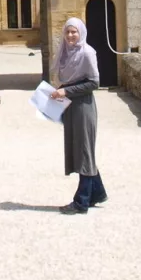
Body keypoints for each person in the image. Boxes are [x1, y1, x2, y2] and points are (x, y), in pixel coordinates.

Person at [51, 17, 106, 214]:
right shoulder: (66, 54)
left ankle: (81, 202)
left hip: (83, 106)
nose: (70, 35)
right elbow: (70, 80)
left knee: (84, 151)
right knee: (80, 149)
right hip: (71, 106)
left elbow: (94, 83)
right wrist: (61, 90)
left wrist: (66, 91)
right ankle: (98, 193)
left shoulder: (87, 53)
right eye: (67, 32)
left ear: (81, 32)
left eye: (74, 32)